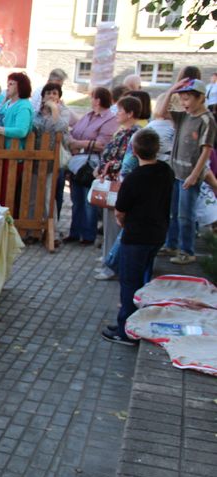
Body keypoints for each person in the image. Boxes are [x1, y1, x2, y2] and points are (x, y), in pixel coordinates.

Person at [101, 130, 174, 345]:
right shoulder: (166, 171)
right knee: (143, 279)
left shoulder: (134, 178)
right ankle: (136, 323)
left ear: (134, 151)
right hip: (158, 233)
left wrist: (123, 223)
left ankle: (126, 331)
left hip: (137, 236)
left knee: (129, 282)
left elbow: (120, 209)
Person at [154, 77, 216, 265]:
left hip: (189, 175)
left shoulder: (206, 120)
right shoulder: (184, 116)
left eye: (187, 98)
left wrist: (195, 175)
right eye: (182, 99)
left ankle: (187, 251)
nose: (184, 103)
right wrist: (172, 89)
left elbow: (206, 150)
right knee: (172, 212)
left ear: (201, 98)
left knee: (185, 215)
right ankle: (171, 244)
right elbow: (161, 111)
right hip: (175, 172)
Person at [93, 96, 143, 280]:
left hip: (119, 185)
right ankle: (108, 258)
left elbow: (127, 162)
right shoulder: (123, 131)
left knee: (115, 226)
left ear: (130, 113)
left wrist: (106, 168)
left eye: (120, 110)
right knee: (108, 225)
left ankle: (112, 265)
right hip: (111, 182)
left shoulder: (135, 134)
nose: (116, 114)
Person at [65, 86, 119, 244]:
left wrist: (78, 143)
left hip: (92, 163)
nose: (91, 100)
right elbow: (74, 131)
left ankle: (88, 235)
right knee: (76, 199)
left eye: (93, 97)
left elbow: (103, 144)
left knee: (89, 200)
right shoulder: (88, 115)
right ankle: (74, 232)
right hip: (77, 163)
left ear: (98, 100)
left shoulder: (110, 119)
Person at [33, 82, 71, 218]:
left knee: (48, 196)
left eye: (54, 93)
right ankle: (33, 231)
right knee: (33, 195)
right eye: (48, 93)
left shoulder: (64, 111)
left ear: (59, 97)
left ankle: (50, 230)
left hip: (52, 161)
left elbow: (61, 127)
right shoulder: (36, 113)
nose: (51, 96)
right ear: (43, 97)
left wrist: (54, 109)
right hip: (34, 159)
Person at [0, 72, 33, 147]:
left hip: (15, 153)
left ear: (21, 86)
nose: (7, 86)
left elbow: (21, 131)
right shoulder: (8, 103)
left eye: (11, 84)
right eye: (7, 84)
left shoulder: (23, 106)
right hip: (2, 149)